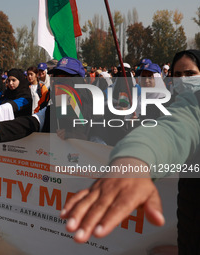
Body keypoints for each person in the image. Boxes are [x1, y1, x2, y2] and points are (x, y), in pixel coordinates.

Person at [59, 50, 200, 254]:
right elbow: (172, 130)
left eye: (190, 74)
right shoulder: (188, 106)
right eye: (177, 75)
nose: (183, 81)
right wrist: (135, 159)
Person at [0, 57, 94, 143]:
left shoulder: (99, 113)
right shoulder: (51, 112)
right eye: (58, 78)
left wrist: (77, 137)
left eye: (67, 78)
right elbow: (29, 122)